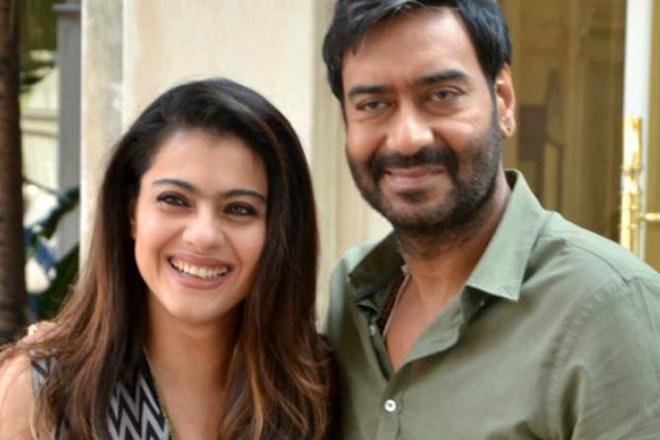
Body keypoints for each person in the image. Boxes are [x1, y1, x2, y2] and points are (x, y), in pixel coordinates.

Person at [321, 0, 660, 438]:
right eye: (373, 104)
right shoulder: (350, 297)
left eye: (441, 96)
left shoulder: (612, 309)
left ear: (504, 101)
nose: (407, 139)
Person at [0, 78, 334, 439]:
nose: (203, 235)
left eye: (240, 209)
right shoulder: (42, 391)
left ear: (280, 230)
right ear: (131, 212)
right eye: (174, 200)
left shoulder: (316, 391)